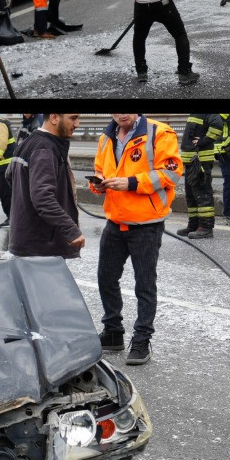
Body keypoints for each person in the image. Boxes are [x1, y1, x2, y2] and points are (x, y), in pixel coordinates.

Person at [90, 113, 182, 365]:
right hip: (115, 221)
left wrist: (131, 183)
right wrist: (98, 184)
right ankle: (113, 333)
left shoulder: (159, 133)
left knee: (144, 284)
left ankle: (141, 339)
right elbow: (100, 169)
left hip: (146, 224)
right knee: (106, 278)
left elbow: (172, 172)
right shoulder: (106, 137)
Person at [8, 113, 84, 259]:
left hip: (27, 241)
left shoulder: (28, 142)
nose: (77, 124)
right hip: (41, 246)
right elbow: (42, 198)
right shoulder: (45, 149)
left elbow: (9, 176)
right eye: (73, 118)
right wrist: (71, 230)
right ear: (54, 118)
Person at [176, 113, 224, 239]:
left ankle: (206, 228)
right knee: (191, 195)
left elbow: (218, 125)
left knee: (202, 194)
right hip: (191, 161)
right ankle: (193, 225)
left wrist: (204, 141)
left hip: (200, 161)